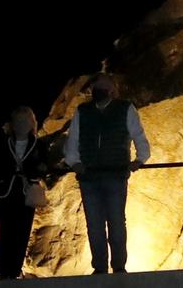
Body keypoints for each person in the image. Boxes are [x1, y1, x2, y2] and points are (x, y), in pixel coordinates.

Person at [63, 73, 152, 275]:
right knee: (94, 224)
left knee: (116, 222)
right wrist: (74, 162)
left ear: (112, 89)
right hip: (89, 176)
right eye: (96, 85)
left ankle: (119, 266)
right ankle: (100, 267)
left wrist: (140, 159)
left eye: (102, 85)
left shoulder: (125, 109)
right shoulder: (82, 111)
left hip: (115, 174)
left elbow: (138, 134)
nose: (98, 89)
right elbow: (73, 138)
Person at [0, 106, 49, 281]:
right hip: (4, 191)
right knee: (6, 229)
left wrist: (34, 170)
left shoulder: (38, 144)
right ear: (13, 124)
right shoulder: (2, 143)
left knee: (22, 230)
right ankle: (3, 271)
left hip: (26, 192)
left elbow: (43, 166)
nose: (22, 124)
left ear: (31, 123)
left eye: (25, 121)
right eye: (19, 121)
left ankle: (16, 269)